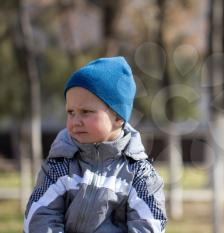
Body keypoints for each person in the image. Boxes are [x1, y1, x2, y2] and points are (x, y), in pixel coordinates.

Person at [23, 57, 167, 233]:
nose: (75, 121)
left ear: (118, 117)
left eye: (86, 112)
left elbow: (149, 224)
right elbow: (39, 216)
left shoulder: (139, 174)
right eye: (71, 112)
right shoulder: (60, 164)